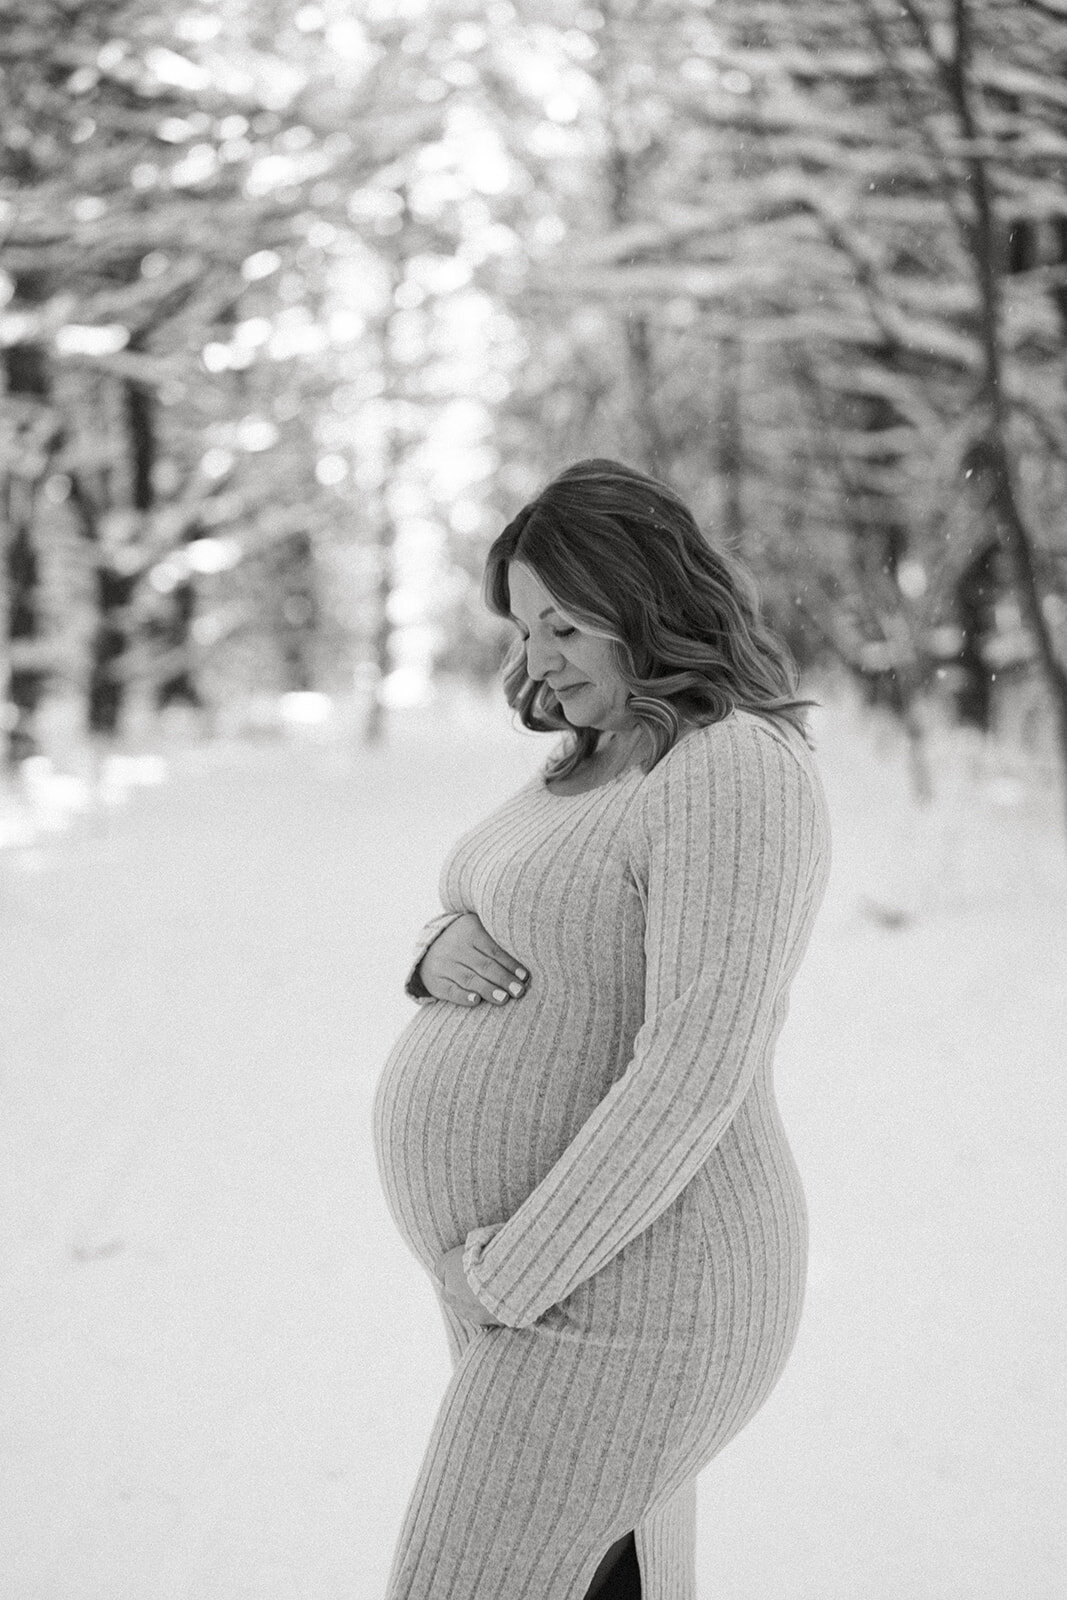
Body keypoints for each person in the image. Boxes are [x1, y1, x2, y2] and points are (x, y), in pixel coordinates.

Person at [371, 457, 831, 1600]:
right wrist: (434, 947)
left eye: (564, 624)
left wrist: (516, 1274)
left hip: (633, 1291)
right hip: (564, 1279)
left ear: (646, 600)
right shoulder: (599, 753)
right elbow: (530, 903)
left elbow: (696, 1059)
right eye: (524, 629)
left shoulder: (728, 767)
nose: (535, 660)